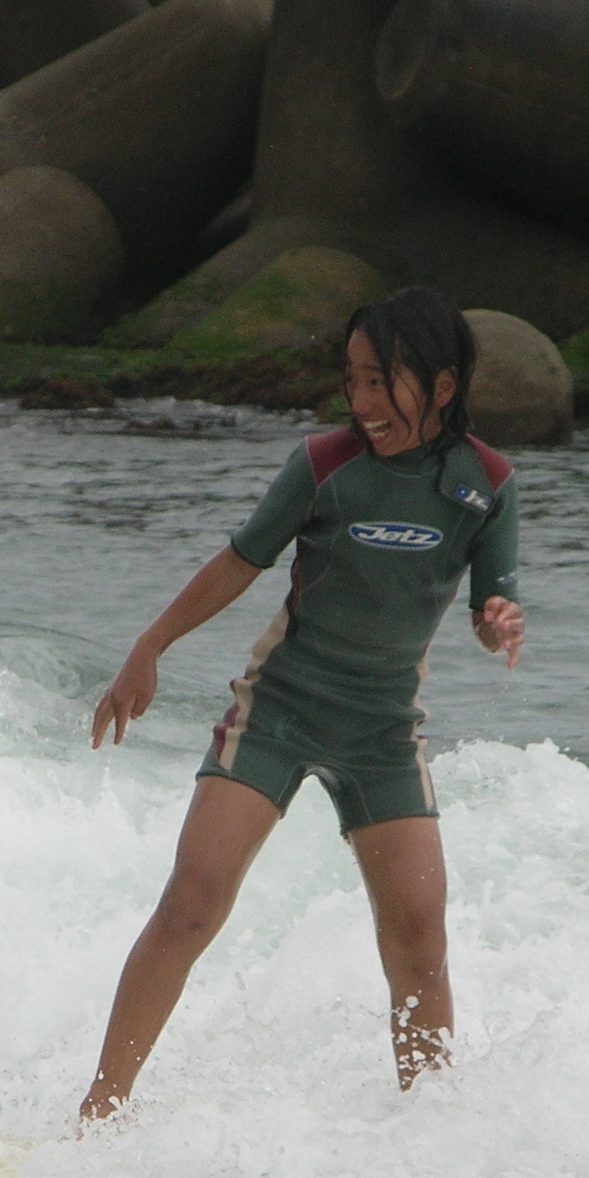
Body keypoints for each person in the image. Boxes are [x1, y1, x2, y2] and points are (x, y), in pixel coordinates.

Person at [78, 287, 525, 1121]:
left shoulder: (487, 484)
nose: (359, 403)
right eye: (350, 381)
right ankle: (96, 1116)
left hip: (385, 733)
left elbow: (489, 604)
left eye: (378, 383)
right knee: (191, 904)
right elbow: (240, 560)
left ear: (440, 388)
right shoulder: (324, 466)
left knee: (421, 942)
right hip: (278, 714)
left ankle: (431, 1138)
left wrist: (499, 622)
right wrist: (149, 647)